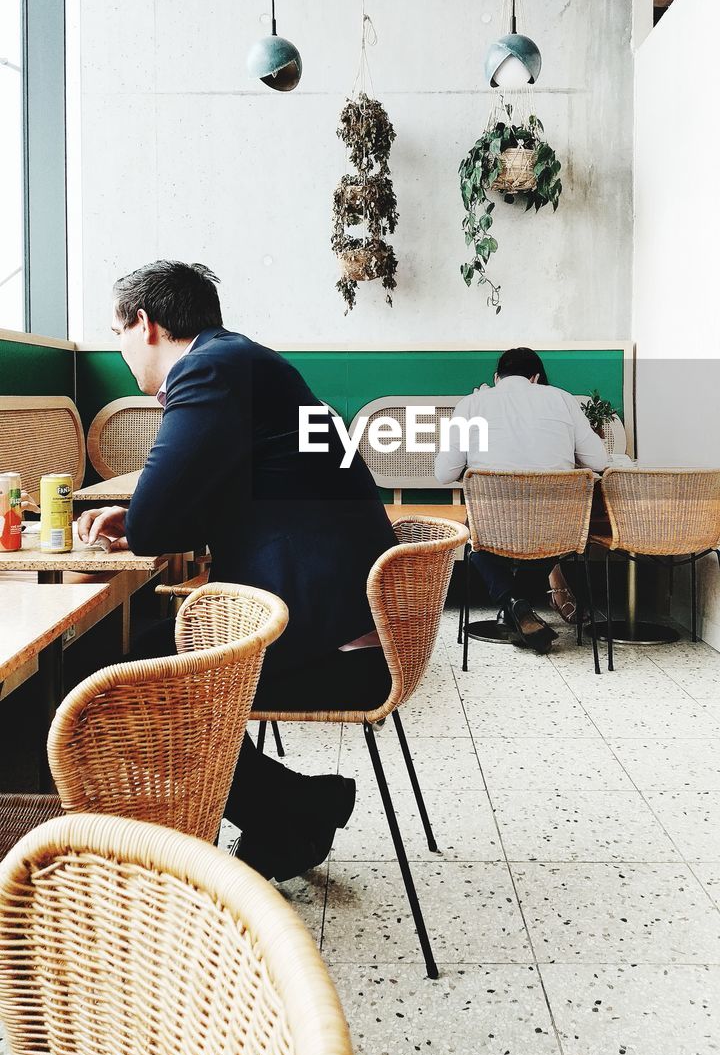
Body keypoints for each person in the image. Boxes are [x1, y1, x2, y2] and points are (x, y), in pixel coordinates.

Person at [78, 260, 397, 880]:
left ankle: (291, 807)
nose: (121, 351)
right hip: (347, 617)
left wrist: (141, 519)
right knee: (133, 658)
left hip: (335, 644)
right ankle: (294, 808)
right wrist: (143, 516)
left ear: (144, 324)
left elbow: (155, 522)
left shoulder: (207, 370)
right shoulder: (244, 362)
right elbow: (226, 500)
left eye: (117, 333)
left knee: (112, 679)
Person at [434, 346, 608, 654]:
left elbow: (444, 473)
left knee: (477, 540)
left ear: (496, 377)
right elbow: (598, 460)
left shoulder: (472, 404)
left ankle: (513, 604)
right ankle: (518, 606)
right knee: (547, 539)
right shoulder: (563, 400)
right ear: (536, 377)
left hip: (492, 527)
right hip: (554, 530)